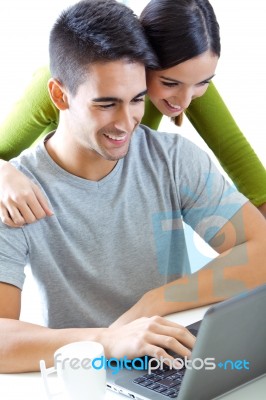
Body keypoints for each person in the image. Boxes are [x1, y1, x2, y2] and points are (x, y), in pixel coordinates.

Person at [0, 0, 265, 374]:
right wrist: (107, 341)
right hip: (87, 374)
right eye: (106, 104)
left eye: (138, 99)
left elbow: (262, 251)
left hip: (174, 362)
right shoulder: (16, 194)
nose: (127, 123)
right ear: (59, 96)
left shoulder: (174, 159)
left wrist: (152, 303)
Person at [0, 0, 265, 228]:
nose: (185, 101)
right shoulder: (69, 83)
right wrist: (5, 174)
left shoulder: (186, 79)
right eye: (169, 83)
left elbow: (239, 158)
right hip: (57, 213)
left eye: (203, 83)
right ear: (143, 61)